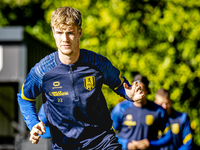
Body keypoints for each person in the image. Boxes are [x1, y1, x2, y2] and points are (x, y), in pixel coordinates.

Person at [17, 6, 145, 150]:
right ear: (53, 33)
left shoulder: (98, 63)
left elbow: (120, 85)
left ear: (79, 32)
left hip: (102, 141)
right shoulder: (42, 71)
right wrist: (33, 123)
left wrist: (129, 94)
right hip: (64, 145)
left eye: (70, 33)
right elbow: (24, 98)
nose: (64, 39)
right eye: (59, 32)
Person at [111, 74, 172, 150]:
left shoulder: (158, 111)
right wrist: (126, 144)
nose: (137, 92)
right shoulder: (120, 109)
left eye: (141, 90)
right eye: (135, 89)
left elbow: (168, 136)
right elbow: (107, 134)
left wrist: (150, 144)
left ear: (147, 90)